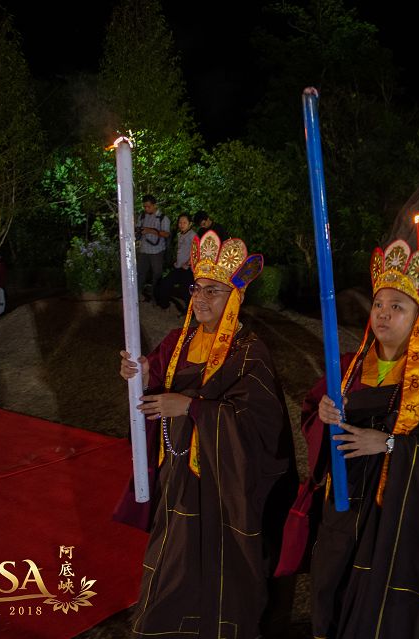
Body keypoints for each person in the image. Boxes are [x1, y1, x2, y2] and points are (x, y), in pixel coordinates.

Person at [119, 230, 298, 639]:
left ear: (236, 297)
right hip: (178, 476)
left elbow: (261, 426)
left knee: (221, 565)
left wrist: (191, 408)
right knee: (173, 555)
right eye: (196, 288)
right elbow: (156, 381)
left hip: (224, 485)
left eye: (213, 291)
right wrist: (141, 373)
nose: (200, 298)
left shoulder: (249, 351)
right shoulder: (177, 340)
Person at [296, 240, 419, 638]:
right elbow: (312, 416)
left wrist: (389, 444)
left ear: (418, 317)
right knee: (332, 590)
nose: (384, 314)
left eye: (397, 307)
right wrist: (323, 415)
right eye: (378, 305)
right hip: (344, 507)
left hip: (395, 517)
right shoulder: (347, 368)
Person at [153, 212, 196, 311]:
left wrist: (188, 263)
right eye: (180, 222)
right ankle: (164, 305)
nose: (181, 225)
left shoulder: (193, 235)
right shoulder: (179, 234)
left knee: (187, 291)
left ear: (190, 224)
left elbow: (197, 252)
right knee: (165, 283)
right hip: (178, 267)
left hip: (188, 269)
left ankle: (190, 313)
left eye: (184, 223)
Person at [136, 194, 171, 301]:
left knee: (157, 274)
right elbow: (138, 228)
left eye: (148, 206)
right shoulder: (142, 216)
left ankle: (156, 295)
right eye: (145, 207)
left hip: (157, 251)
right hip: (144, 250)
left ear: (154, 205)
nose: (146, 209)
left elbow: (166, 234)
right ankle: (137, 294)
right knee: (140, 272)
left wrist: (150, 230)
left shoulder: (163, 218)